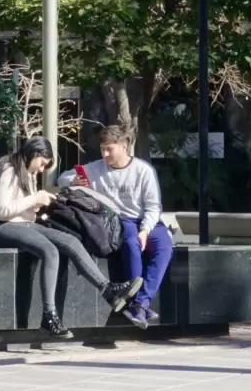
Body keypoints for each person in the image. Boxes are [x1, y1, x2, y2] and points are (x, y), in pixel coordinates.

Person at [0, 136, 143, 339]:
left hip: (22, 224)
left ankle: (108, 290)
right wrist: (34, 198)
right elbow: (2, 210)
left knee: (70, 241)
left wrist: (35, 205)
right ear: (35, 153)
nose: (41, 169)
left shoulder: (26, 170)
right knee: (49, 251)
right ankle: (50, 317)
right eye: (42, 163)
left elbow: (20, 209)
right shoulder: (6, 168)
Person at [58, 124, 174, 330]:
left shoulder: (143, 170)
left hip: (146, 219)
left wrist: (146, 230)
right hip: (121, 220)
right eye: (102, 149)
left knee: (164, 245)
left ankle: (140, 302)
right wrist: (74, 180)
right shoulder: (96, 168)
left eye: (109, 149)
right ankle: (139, 305)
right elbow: (61, 178)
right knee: (131, 242)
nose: (105, 154)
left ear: (124, 146)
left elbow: (154, 206)